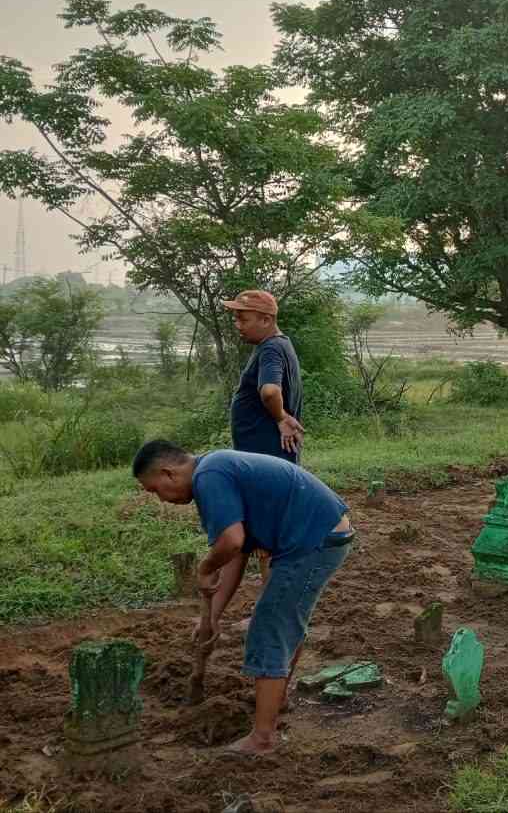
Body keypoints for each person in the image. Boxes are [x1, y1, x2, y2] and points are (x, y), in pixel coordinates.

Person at [132, 440, 352, 755]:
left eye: (155, 491)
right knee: (283, 623)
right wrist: (212, 617)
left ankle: (262, 739)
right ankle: (278, 698)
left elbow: (231, 542)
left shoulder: (209, 476)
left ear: (168, 474)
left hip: (312, 540)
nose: (161, 500)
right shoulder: (215, 469)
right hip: (321, 534)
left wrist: (206, 566)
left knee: (269, 628)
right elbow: (238, 553)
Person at [223, 290, 305, 464]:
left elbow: (270, 391)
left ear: (266, 320)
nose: (238, 325)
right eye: (236, 319)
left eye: (243, 320)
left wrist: (281, 418)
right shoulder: (279, 343)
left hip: (266, 454)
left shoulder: (270, 349)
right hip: (267, 453)